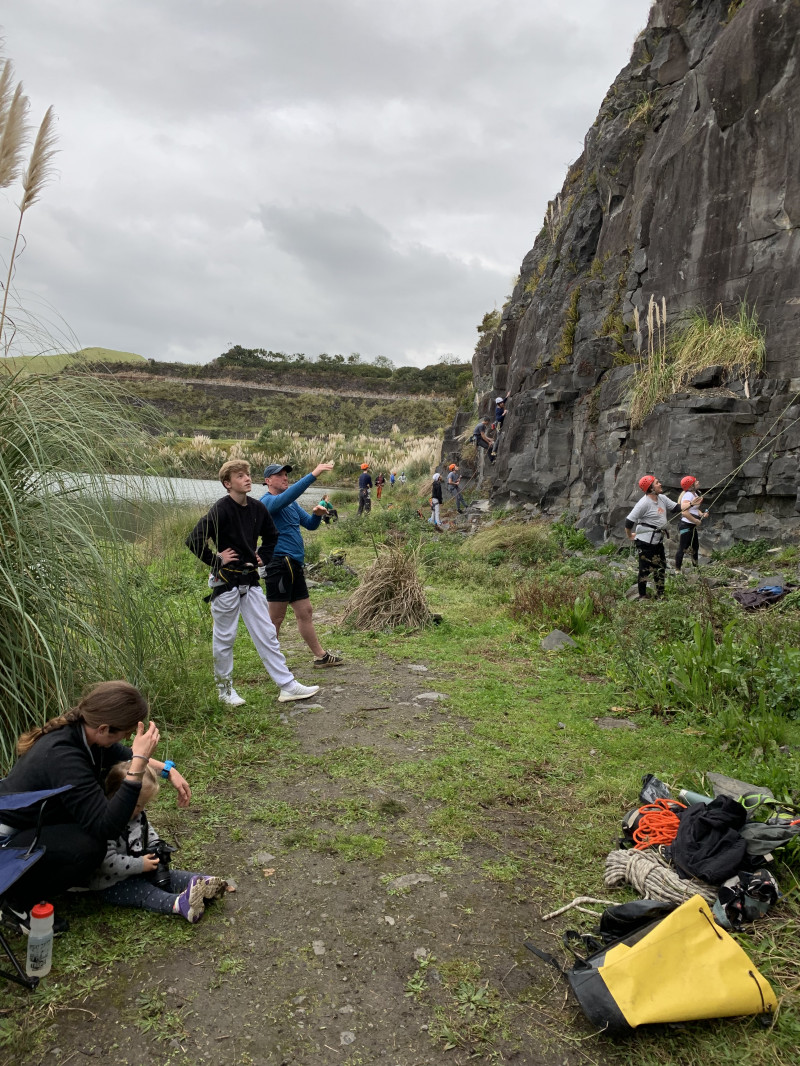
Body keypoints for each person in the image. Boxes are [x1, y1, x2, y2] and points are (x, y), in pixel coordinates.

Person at [0, 681, 184, 925]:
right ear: (104, 728)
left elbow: (123, 755)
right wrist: (139, 764)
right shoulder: (64, 756)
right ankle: (15, 900)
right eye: (125, 733)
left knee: (89, 834)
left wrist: (168, 770)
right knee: (91, 846)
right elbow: (105, 827)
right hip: (7, 843)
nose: (128, 738)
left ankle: (55, 878)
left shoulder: (85, 735)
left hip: (35, 824)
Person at [185, 459, 320, 706]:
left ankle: (288, 686)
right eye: (239, 476)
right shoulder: (221, 509)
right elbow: (194, 540)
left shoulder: (258, 508)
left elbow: (272, 536)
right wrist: (216, 560)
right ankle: (225, 691)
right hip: (225, 583)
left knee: (267, 633)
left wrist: (263, 556)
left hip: (250, 580)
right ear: (227, 483)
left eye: (247, 474)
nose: (246, 478)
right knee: (225, 637)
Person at [81, 762, 228, 924]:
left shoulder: (137, 814)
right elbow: (107, 863)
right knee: (146, 892)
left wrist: (156, 845)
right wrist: (139, 864)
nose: (140, 810)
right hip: (112, 883)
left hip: (140, 869)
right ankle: (180, 904)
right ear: (118, 796)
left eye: (144, 805)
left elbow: (147, 831)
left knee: (169, 876)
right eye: (137, 805)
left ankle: (204, 884)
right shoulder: (106, 823)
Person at [260, 461, 344, 669]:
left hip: (294, 564)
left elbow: (309, 525)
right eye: (279, 475)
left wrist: (317, 515)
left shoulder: (291, 504)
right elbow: (289, 495)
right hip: (279, 564)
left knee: (305, 611)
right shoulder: (267, 502)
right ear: (268, 481)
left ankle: (320, 656)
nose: (285, 478)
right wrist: (313, 474)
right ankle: (272, 662)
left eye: (286, 474)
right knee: (276, 617)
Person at [624, 475, 679, 600]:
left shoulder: (662, 498)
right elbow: (629, 521)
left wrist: (692, 503)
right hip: (644, 541)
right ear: (651, 488)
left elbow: (676, 508)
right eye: (657, 483)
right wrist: (630, 535)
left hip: (657, 540)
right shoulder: (643, 503)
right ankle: (643, 595)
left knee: (661, 567)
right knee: (645, 568)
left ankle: (660, 595)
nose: (660, 484)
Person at [675, 476, 709, 573]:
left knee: (695, 546)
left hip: (691, 525)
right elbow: (684, 512)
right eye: (695, 481)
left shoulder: (695, 494)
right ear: (691, 485)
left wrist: (702, 514)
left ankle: (695, 567)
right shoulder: (688, 495)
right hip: (686, 525)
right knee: (683, 547)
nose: (698, 482)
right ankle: (677, 570)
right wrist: (695, 521)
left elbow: (694, 509)